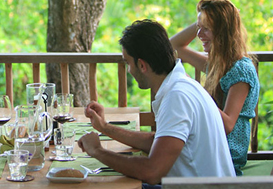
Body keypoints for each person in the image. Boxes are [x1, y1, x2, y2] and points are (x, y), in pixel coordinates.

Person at [78, 19, 235, 187]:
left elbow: (152, 172)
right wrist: (104, 127)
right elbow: (157, 142)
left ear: (142, 65)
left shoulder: (177, 97)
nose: (129, 70)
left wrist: (97, 151)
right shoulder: (181, 84)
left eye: (128, 63)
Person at [169, 0, 260, 176]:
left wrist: (194, 90)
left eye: (207, 29)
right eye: (198, 28)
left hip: (225, 159)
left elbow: (227, 125)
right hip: (210, 149)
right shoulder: (218, 65)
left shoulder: (241, 70)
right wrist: (202, 19)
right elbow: (173, 46)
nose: (200, 34)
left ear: (223, 32)